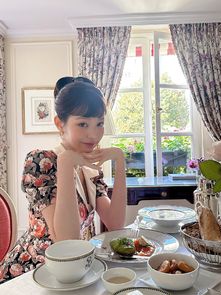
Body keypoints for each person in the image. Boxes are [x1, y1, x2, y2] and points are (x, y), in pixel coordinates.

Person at [0, 76, 127, 283]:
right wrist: (66, 162)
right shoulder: (41, 162)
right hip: (36, 273)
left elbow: (115, 223)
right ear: (60, 124)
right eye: (83, 124)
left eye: (99, 124)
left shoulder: (90, 169)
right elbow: (66, 241)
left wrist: (120, 161)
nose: (93, 135)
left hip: (75, 272)